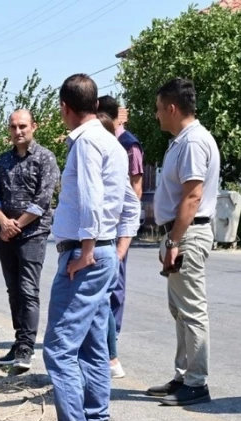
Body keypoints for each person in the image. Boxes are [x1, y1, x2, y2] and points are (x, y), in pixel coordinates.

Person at [29, 74, 128, 421]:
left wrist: (86, 252)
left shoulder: (86, 143)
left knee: (59, 344)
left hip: (85, 252)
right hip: (102, 250)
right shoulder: (112, 142)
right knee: (91, 343)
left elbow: (89, 199)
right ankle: (97, 420)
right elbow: (127, 204)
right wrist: (113, 249)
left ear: (65, 108)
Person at [146, 78, 219, 406]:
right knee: (179, 310)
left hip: (187, 233)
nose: (157, 115)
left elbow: (192, 195)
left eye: (160, 109)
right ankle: (183, 376)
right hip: (179, 234)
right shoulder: (182, 140)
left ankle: (197, 382)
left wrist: (175, 240)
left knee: (191, 310)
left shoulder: (192, 142)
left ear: (172, 108)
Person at [0, 109, 60, 373]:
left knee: (28, 290)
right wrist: (3, 221)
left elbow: (43, 200)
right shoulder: (3, 160)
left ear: (34, 127)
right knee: (13, 291)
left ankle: (27, 349)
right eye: (13, 127)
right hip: (6, 234)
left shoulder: (45, 158)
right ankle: (18, 343)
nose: (18, 131)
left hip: (33, 234)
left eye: (23, 126)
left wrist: (16, 224)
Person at [97, 95, 146, 379]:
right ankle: (104, 342)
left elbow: (135, 190)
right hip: (103, 227)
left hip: (117, 227)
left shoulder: (128, 145)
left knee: (114, 286)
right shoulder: (102, 141)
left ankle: (111, 341)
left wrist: (122, 230)